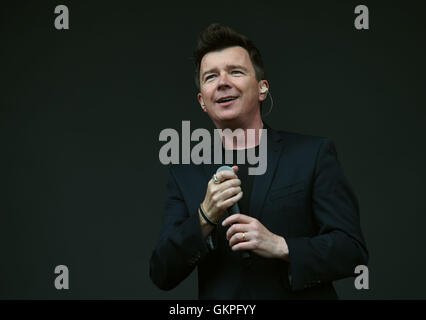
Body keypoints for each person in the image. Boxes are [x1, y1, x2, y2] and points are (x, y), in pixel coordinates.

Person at [150, 23, 368, 299]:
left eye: (236, 72)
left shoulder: (313, 154)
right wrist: (204, 217)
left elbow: (352, 251)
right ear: (202, 101)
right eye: (210, 77)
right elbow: (161, 272)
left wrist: (280, 245)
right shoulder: (185, 173)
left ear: (262, 88)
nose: (222, 82)